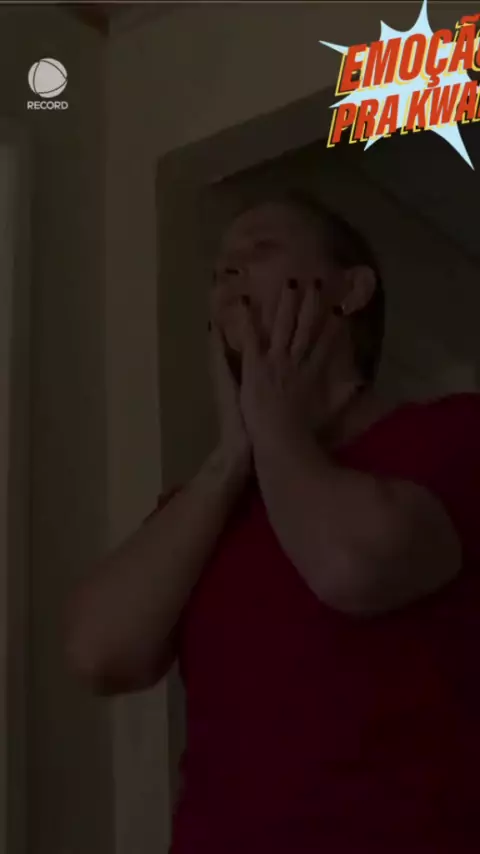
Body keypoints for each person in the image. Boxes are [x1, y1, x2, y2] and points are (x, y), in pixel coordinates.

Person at [66, 191, 480, 853]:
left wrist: (272, 423)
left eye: (260, 250)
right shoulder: (208, 504)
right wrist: (231, 457)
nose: (228, 273)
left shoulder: (454, 433)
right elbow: (98, 652)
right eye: (219, 270)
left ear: (350, 291)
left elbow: (351, 568)